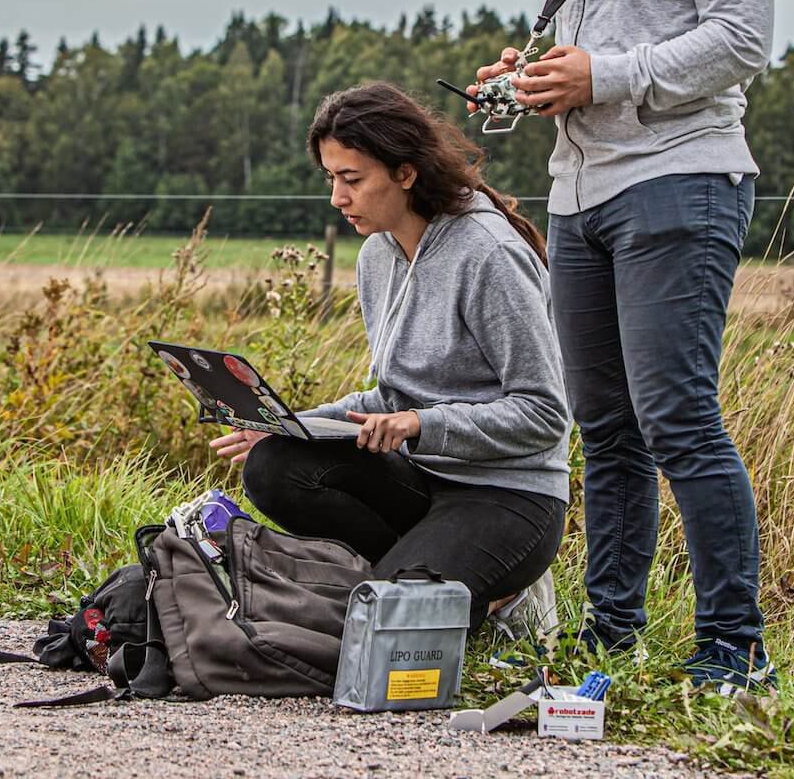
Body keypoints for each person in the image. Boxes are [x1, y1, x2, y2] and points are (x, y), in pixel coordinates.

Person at [471, 0, 776, 690]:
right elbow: (593, 52)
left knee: (678, 417)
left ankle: (732, 655)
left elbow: (741, 39)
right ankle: (613, 640)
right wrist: (534, 76)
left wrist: (604, 75)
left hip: (678, 179)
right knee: (604, 431)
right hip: (580, 190)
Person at [209, 81, 571, 637]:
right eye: (330, 178)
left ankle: (498, 595)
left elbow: (544, 415)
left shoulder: (490, 254)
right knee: (274, 463)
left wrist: (421, 424)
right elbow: (388, 397)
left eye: (352, 179)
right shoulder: (377, 254)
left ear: (406, 172)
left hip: (509, 496)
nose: (337, 197)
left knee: (380, 622)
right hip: (422, 481)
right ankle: (419, 579)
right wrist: (287, 424)